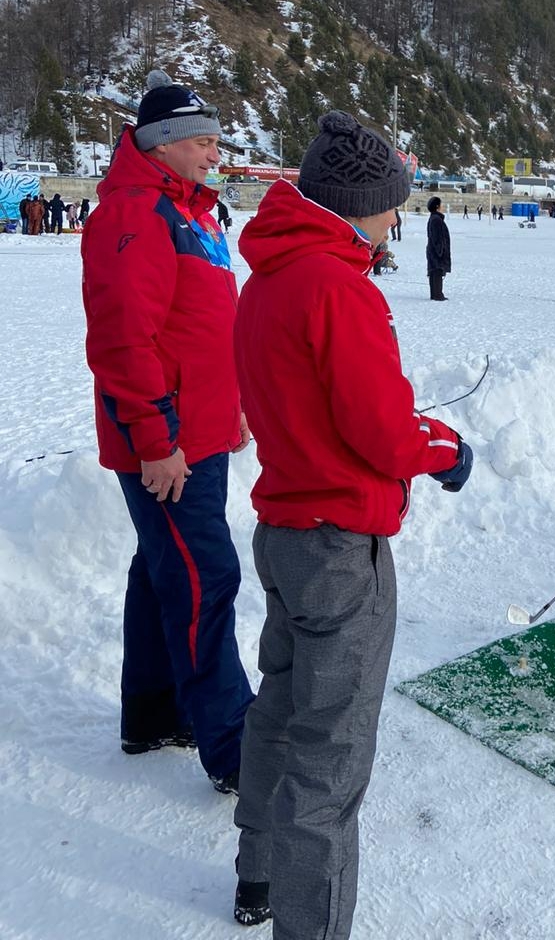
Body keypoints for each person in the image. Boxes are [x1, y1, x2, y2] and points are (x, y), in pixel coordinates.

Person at [231, 111, 473, 935]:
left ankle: (256, 873)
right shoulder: (338, 286)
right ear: (362, 202)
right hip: (337, 545)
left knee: (282, 705)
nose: (399, 219)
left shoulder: (271, 274)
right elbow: (381, 431)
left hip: (284, 530)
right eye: (392, 204)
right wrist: (444, 449)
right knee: (331, 755)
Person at [80, 69, 253, 792]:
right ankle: (237, 748)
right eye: (206, 141)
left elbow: (198, 325)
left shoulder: (188, 209)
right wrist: (155, 440)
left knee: (163, 573)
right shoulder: (135, 214)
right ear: (166, 143)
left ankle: (154, 713)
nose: (218, 153)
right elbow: (124, 339)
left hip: (199, 433)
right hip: (169, 441)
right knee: (204, 578)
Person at [426, 195, 452, 300]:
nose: (442, 206)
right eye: (441, 204)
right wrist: (440, 252)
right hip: (436, 252)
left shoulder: (434, 218)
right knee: (437, 271)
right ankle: (437, 294)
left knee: (435, 272)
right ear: (437, 206)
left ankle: (436, 293)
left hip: (433, 251)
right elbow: (437, 238)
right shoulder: (436, 219)